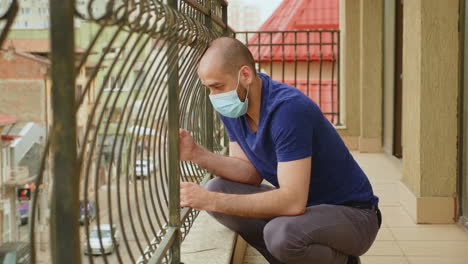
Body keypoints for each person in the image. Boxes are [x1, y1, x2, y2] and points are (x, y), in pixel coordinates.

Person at [178, 37, 381, 264]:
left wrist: (210, 201)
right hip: (305, 213)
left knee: (281, 234)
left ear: (245, 75)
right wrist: (195, 153)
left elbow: (292, 202)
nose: (213, 98)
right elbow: (249, 173)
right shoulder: (235, 107)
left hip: (354, 216)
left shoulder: (288, 110)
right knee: (218, 187)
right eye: (208, 89)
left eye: (217, 87)